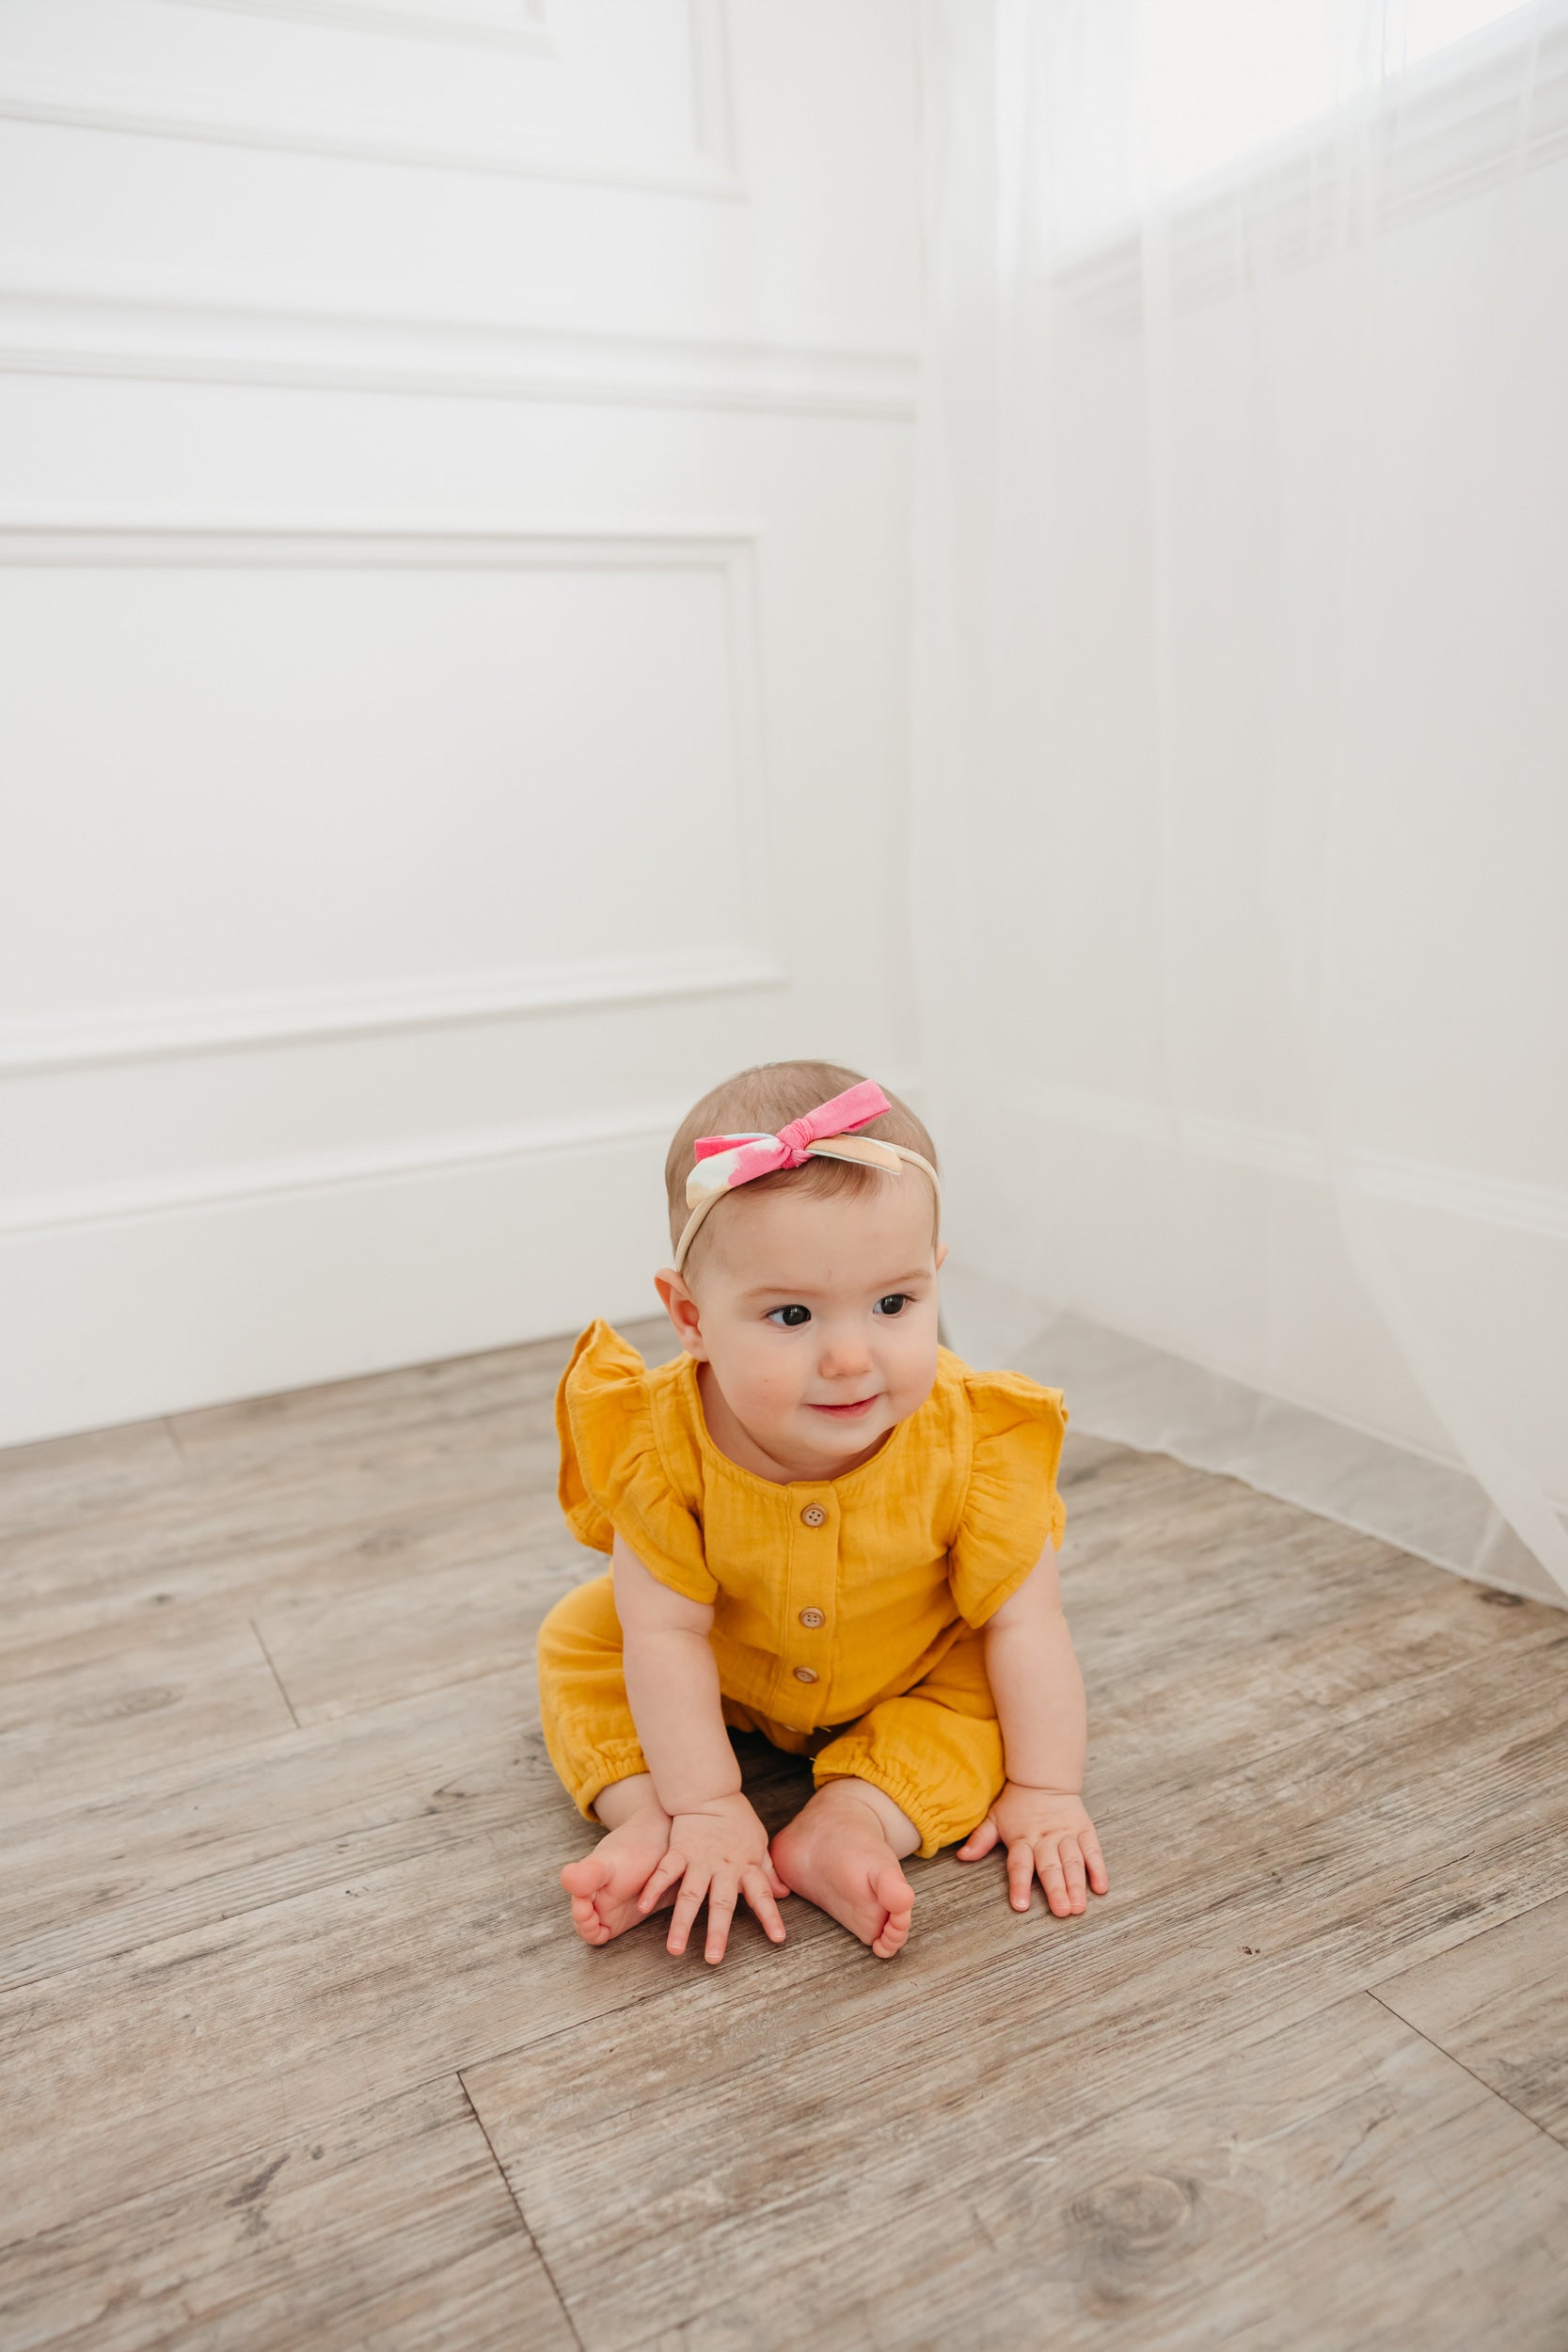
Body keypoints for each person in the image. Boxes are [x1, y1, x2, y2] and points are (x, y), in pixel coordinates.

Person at [536, 1060, 1109, 1963]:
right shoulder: (660, 1444)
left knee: (988, 1694)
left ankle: (853, 1818)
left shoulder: (975, 1439)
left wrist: (1046, 1790)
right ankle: (650, 1813)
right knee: (585, 1639)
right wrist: (707, 1805)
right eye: (792, 1316)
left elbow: (1026, 1623)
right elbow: (665, 1636)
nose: (849, 1357)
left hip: (905, 1666)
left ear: (935, 1280)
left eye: (892, 1303)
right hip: (719, 1664)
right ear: (690, 1316)